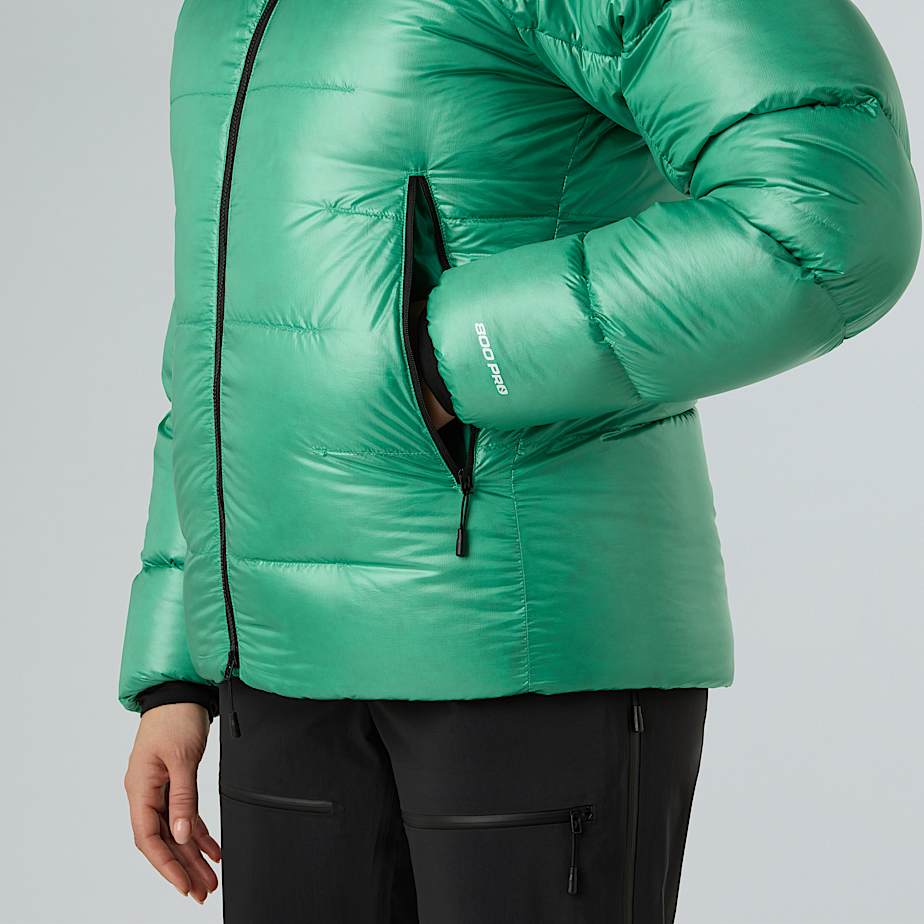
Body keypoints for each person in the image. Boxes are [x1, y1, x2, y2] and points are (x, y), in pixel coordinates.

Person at [120, 1, 920, 921]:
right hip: (273, 673)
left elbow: (829, 213)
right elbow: (218, 343)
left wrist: (453, 358)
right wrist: (177, 675)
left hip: (518, 639)